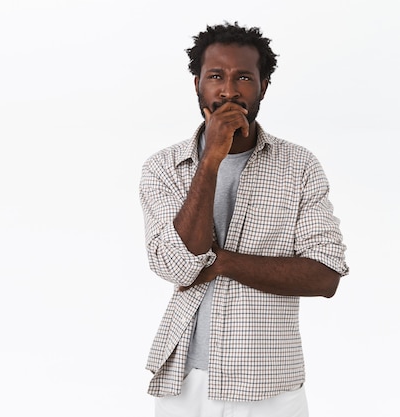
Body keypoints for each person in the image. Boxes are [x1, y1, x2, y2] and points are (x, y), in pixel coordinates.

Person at [139, 22, 348, 417]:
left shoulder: (299, 166)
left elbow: (325, 276)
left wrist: (222, 263)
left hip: (269, 382)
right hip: (183, 381)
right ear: (197, 83)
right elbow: (175, 264)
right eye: (216, 76)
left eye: (244, 78)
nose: (229, 90)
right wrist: (212, 158)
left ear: (264, 87)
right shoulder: (164, 167)